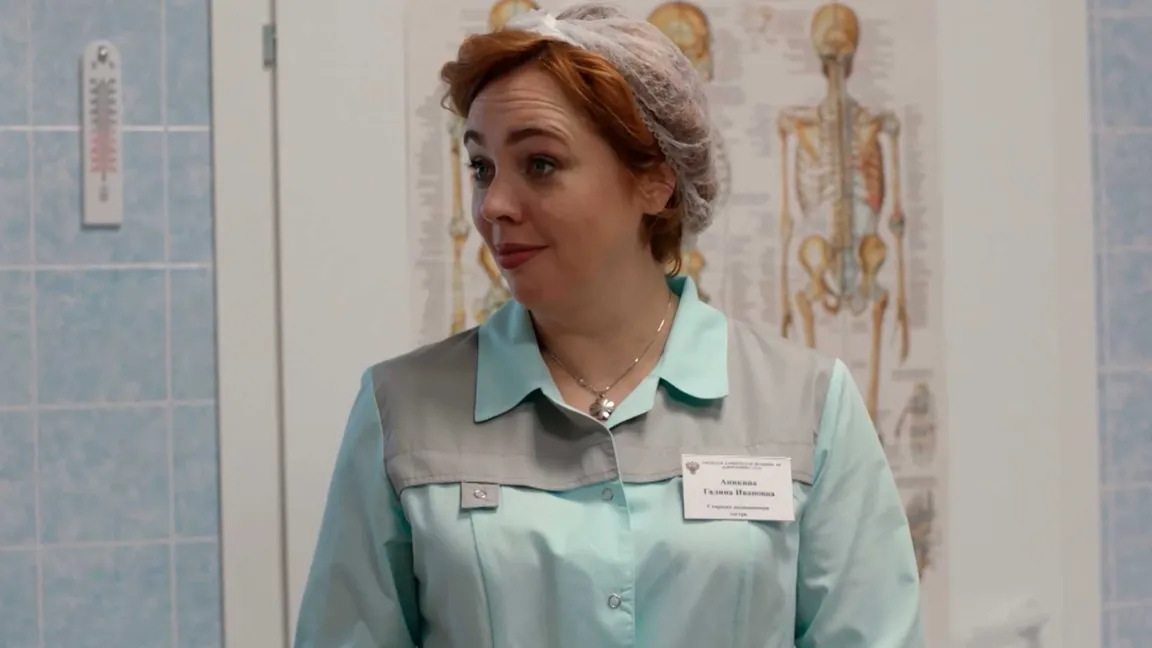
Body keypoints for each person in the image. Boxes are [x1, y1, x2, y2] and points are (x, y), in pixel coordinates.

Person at [292, 3, 925, 647]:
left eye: (540, 164)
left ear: (656, 182)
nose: (494, 205)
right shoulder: (401, 412)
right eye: (482, 167)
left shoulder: (806, 407)